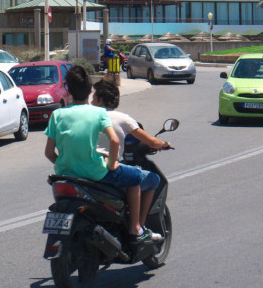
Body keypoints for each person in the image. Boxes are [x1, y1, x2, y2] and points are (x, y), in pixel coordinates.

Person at [44, 65, 153, 243]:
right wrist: (111, 164)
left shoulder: (57, 115)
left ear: (68, 90)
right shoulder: (99, 112)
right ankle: (135, 228)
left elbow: (49, 152)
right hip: (96, 173)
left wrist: (64, 163)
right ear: (90, 91)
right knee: (135, 178)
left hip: (65, 174)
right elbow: (114, 141)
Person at [92, 79, 170, 231]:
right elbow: (151, 141)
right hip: (107, 169)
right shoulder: (122, 118)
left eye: (94, 96)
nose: (92, 99)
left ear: (101, 99)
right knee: (151, 179)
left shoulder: (86, 117)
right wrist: (163, 144)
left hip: (85, 167)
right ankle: (139, 227)